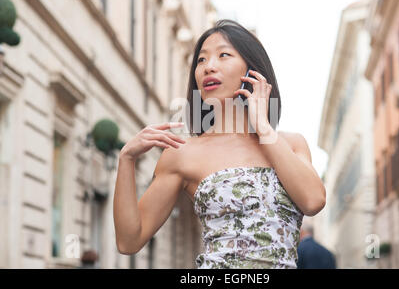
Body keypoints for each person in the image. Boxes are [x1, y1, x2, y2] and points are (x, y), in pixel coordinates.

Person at [113, 19, 326, 269]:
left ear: (253, 72)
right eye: (201, 60)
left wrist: (263, 127)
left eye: (223, 55)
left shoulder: (291, 144)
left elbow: (313, 201)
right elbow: (129, 241)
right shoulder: (183, 153)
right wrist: (126, 159)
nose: (208, 67)